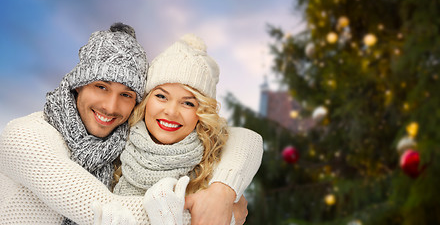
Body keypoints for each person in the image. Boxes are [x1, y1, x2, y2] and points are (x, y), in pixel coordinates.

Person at [0, 23, 262, 225]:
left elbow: (245, 138)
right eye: (101, 86)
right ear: (77, 85)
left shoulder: (114, 143)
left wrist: (222, 192)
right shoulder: (26, 135)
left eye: (126, 94)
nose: (111, 107)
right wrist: (221, 214)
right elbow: (105, 212)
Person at [111, 34, 262, 225]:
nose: (171, 112)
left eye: (188, 103)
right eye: (162, 96)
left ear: (202, 112)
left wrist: (222, 192)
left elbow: (248, 138)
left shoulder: (211, 164)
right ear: (146, 100)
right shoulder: (115, 144)